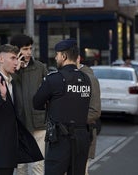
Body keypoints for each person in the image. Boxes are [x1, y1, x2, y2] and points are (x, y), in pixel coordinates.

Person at [0, 44, 43, 175]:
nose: (16, 62)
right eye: (13, 58)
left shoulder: (12, 81)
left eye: (16, 59)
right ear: (1, 59)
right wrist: (1, 97)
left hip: (12, 144)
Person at [33, 39, 92, 175]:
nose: (55, 58)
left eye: (57, 55)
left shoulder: (54, 79)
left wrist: (51, 102)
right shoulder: (85, 79)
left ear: (64, 56)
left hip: (60, 139)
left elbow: (36, 103)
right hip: (82, 137)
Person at [10, 34, 48, 175]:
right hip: (19, 124)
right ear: (16, 50)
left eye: (30, 48)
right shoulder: (10, 70)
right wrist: (16, 71)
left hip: (38, 121)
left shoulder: (40, 67)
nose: (29, 52)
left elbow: (47, 91)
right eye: (25, 49)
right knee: (20, 166)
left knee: (38, 165)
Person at [77, 55, 101, 175]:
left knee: (82, 169)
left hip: (85, 132)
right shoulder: (65, 76)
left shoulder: (89, 78)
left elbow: (95, 111)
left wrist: (73, 121)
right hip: (69, 136)